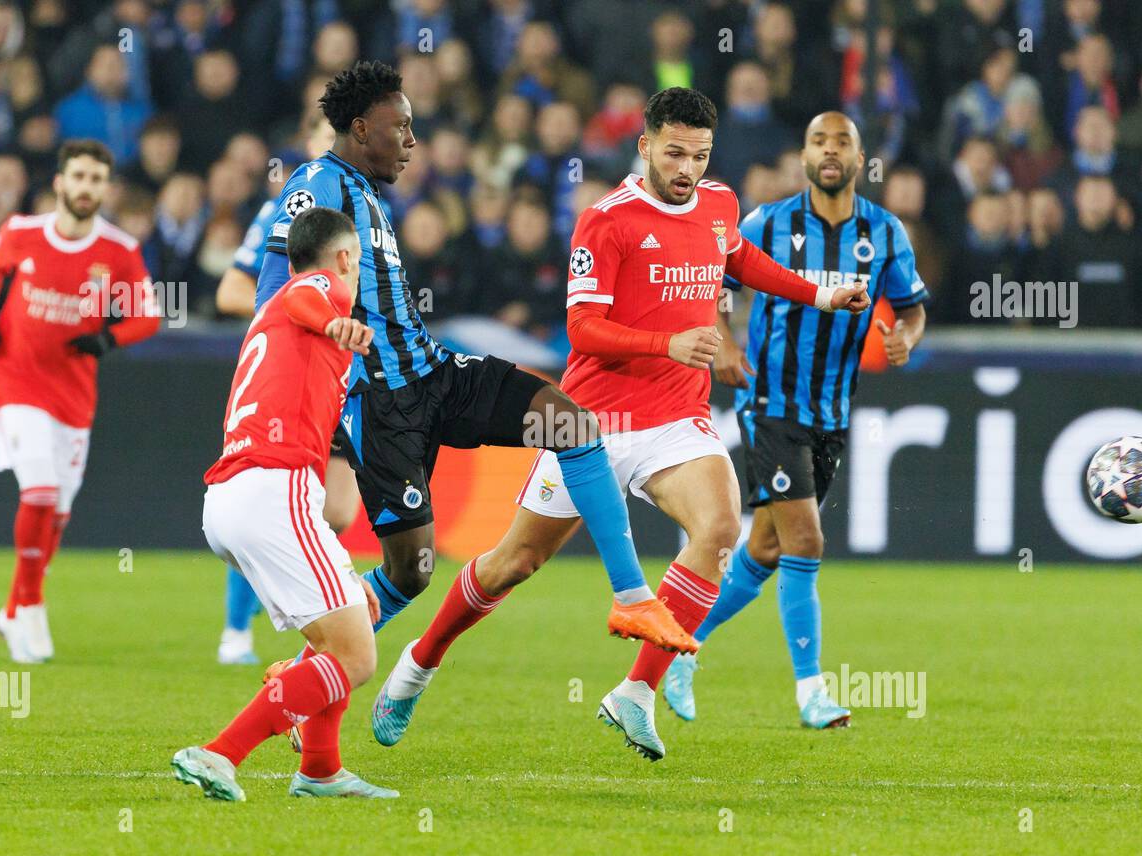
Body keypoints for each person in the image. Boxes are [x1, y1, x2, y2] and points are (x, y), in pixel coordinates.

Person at [365, 91, 870, 762]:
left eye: (699, 156)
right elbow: (583, 330)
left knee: (720, 527)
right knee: (513, 563)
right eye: (674, 153)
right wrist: (668, 344)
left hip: (676, 419)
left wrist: (820, 293)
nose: (687, 169)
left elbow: (739, 257)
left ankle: (636, 692)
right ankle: (418, 664)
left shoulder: (718, 203)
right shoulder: (608, 221)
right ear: (645, 146)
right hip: (593, 424)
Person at [255, 61, 694, 657]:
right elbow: (275, 291)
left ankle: (632, 596)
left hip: (436, 374)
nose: (413, 141)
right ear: (360, 128)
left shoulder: (368, 194)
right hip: (382, 403)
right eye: (401, 128)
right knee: (410, 573)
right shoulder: (318, 184)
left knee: (573, 426)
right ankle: (310, 676)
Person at [662, 111, 930, 730]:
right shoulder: (767, 223)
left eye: (842, 141)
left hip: (832, 411)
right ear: (804, 157)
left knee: (767, 546)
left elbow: (913, 309)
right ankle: (812, 691)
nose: (829, 150)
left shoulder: (884, 233)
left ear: (860, 160)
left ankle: (676, 643)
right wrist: (722, 340)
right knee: (806, 542)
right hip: (773, 405)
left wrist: (906, 339)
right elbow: (710, 279)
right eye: (817, 140)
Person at [173, 206, 394, 802]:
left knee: (353, 614)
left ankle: (320, 769)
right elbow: (308, 296)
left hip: (231, 497)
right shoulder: (316, 294)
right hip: (275, 488)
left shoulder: (270, 318)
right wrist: (334, 324)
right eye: (360, 261)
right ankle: (219, 753)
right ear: (345, 258)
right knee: (355, 655)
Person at [0, 139, 161, 663]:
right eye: (77, 177)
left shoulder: (118, 251)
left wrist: (108, 339)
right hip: (15, 380)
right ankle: (30, 610)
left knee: (57, 509)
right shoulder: (23, 232)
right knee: (39, 490)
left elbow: (147, 316)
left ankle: (10, 608)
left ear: (106, 187)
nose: (85, 188)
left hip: (73, 393)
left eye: (96, 179)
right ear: (59, 181)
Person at [210, 112, 353, 666]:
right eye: (323, 140)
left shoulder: (368, 212)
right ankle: (238, 631)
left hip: (344, 375)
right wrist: (307, 323)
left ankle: (315, 640)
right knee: (276, 496)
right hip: (292, 374)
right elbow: (231, 291)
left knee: (336, 513)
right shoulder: (288, 212)